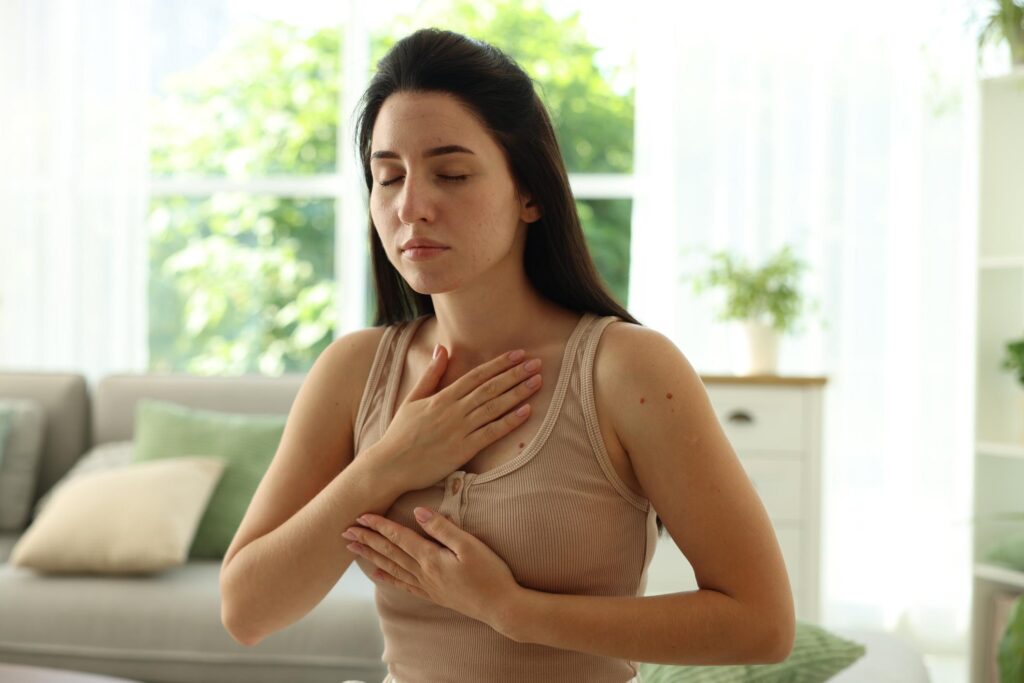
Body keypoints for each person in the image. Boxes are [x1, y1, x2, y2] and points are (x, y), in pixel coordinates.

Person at [219, 27, 795, 683]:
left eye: (451, 174)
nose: (411, 206)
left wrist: (514, 611)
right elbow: (247, 611)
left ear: (530, 193)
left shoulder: (627, 369)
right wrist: (389, 463)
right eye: (388, 177)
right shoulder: (353, 372)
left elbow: (762, 623)